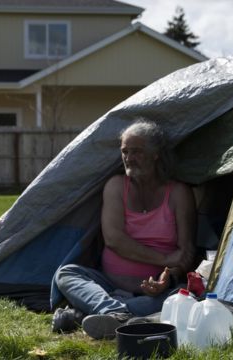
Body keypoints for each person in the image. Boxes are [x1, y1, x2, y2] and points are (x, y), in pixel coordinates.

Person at [52, 120, 196, 340]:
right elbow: (114, 239)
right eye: (125, 151)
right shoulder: (116, 186)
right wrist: (165, 258)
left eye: (137, 151)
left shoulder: (178, 193)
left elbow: (187, 252)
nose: (129, 158)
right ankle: (121, 314)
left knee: (179, 295)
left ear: (155, 153)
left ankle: (95, 313)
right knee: (67, 273)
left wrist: (168, 277)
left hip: (154, 290)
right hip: (108, 283)